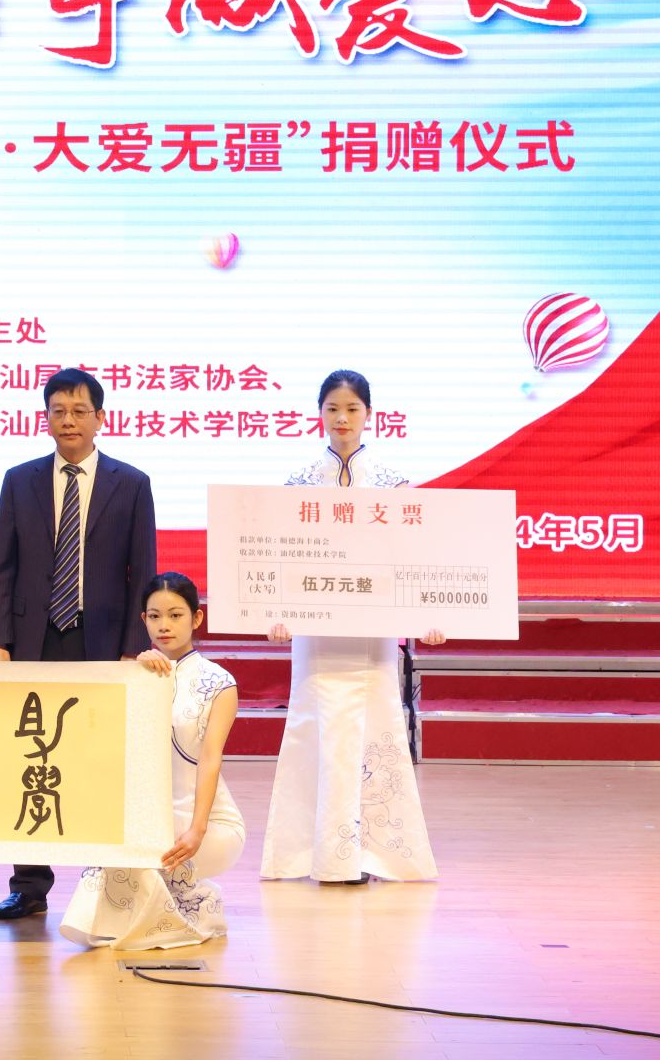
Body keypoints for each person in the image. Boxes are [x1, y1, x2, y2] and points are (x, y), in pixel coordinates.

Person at [0, 367, 159, 920]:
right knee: (28, 760)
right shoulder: (20, 480)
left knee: (97, 761)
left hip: (102, 642)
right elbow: (2, 568)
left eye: (80, 411)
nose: (68, 420)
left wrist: (133, 646)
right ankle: (29, 885)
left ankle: (103, 880)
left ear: (100, 418)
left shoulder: (131, 484)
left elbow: (143, 571)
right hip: (33, 642)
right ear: (46, 418)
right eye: (58, 411)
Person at [261, 369, 442, 885]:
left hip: (373, 633)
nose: (342, 419)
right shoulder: (298, 485)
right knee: (316, 729)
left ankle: (370, 852)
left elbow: (411, 561)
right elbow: (283, 559)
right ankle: (318, 851)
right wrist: (276, 612)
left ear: (369, 415)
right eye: (333, 409)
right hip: (316, 634)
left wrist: (427, 617)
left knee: (376, 728)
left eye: (352, 409)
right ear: (319, 413)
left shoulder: (392, 485)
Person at [60, 572, 242, 949]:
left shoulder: (220, 682)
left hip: (207, 824)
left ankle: (176, 908)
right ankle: (176, 907)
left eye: (175, 615)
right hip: (150, 817)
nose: (164, 626)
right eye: (155, 616)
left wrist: (197, 830)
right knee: (122, 838)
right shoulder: (135, 675)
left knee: (136, 846)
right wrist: (137, 676)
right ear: (143, 620)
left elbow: (210, 760)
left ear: (196, 618)